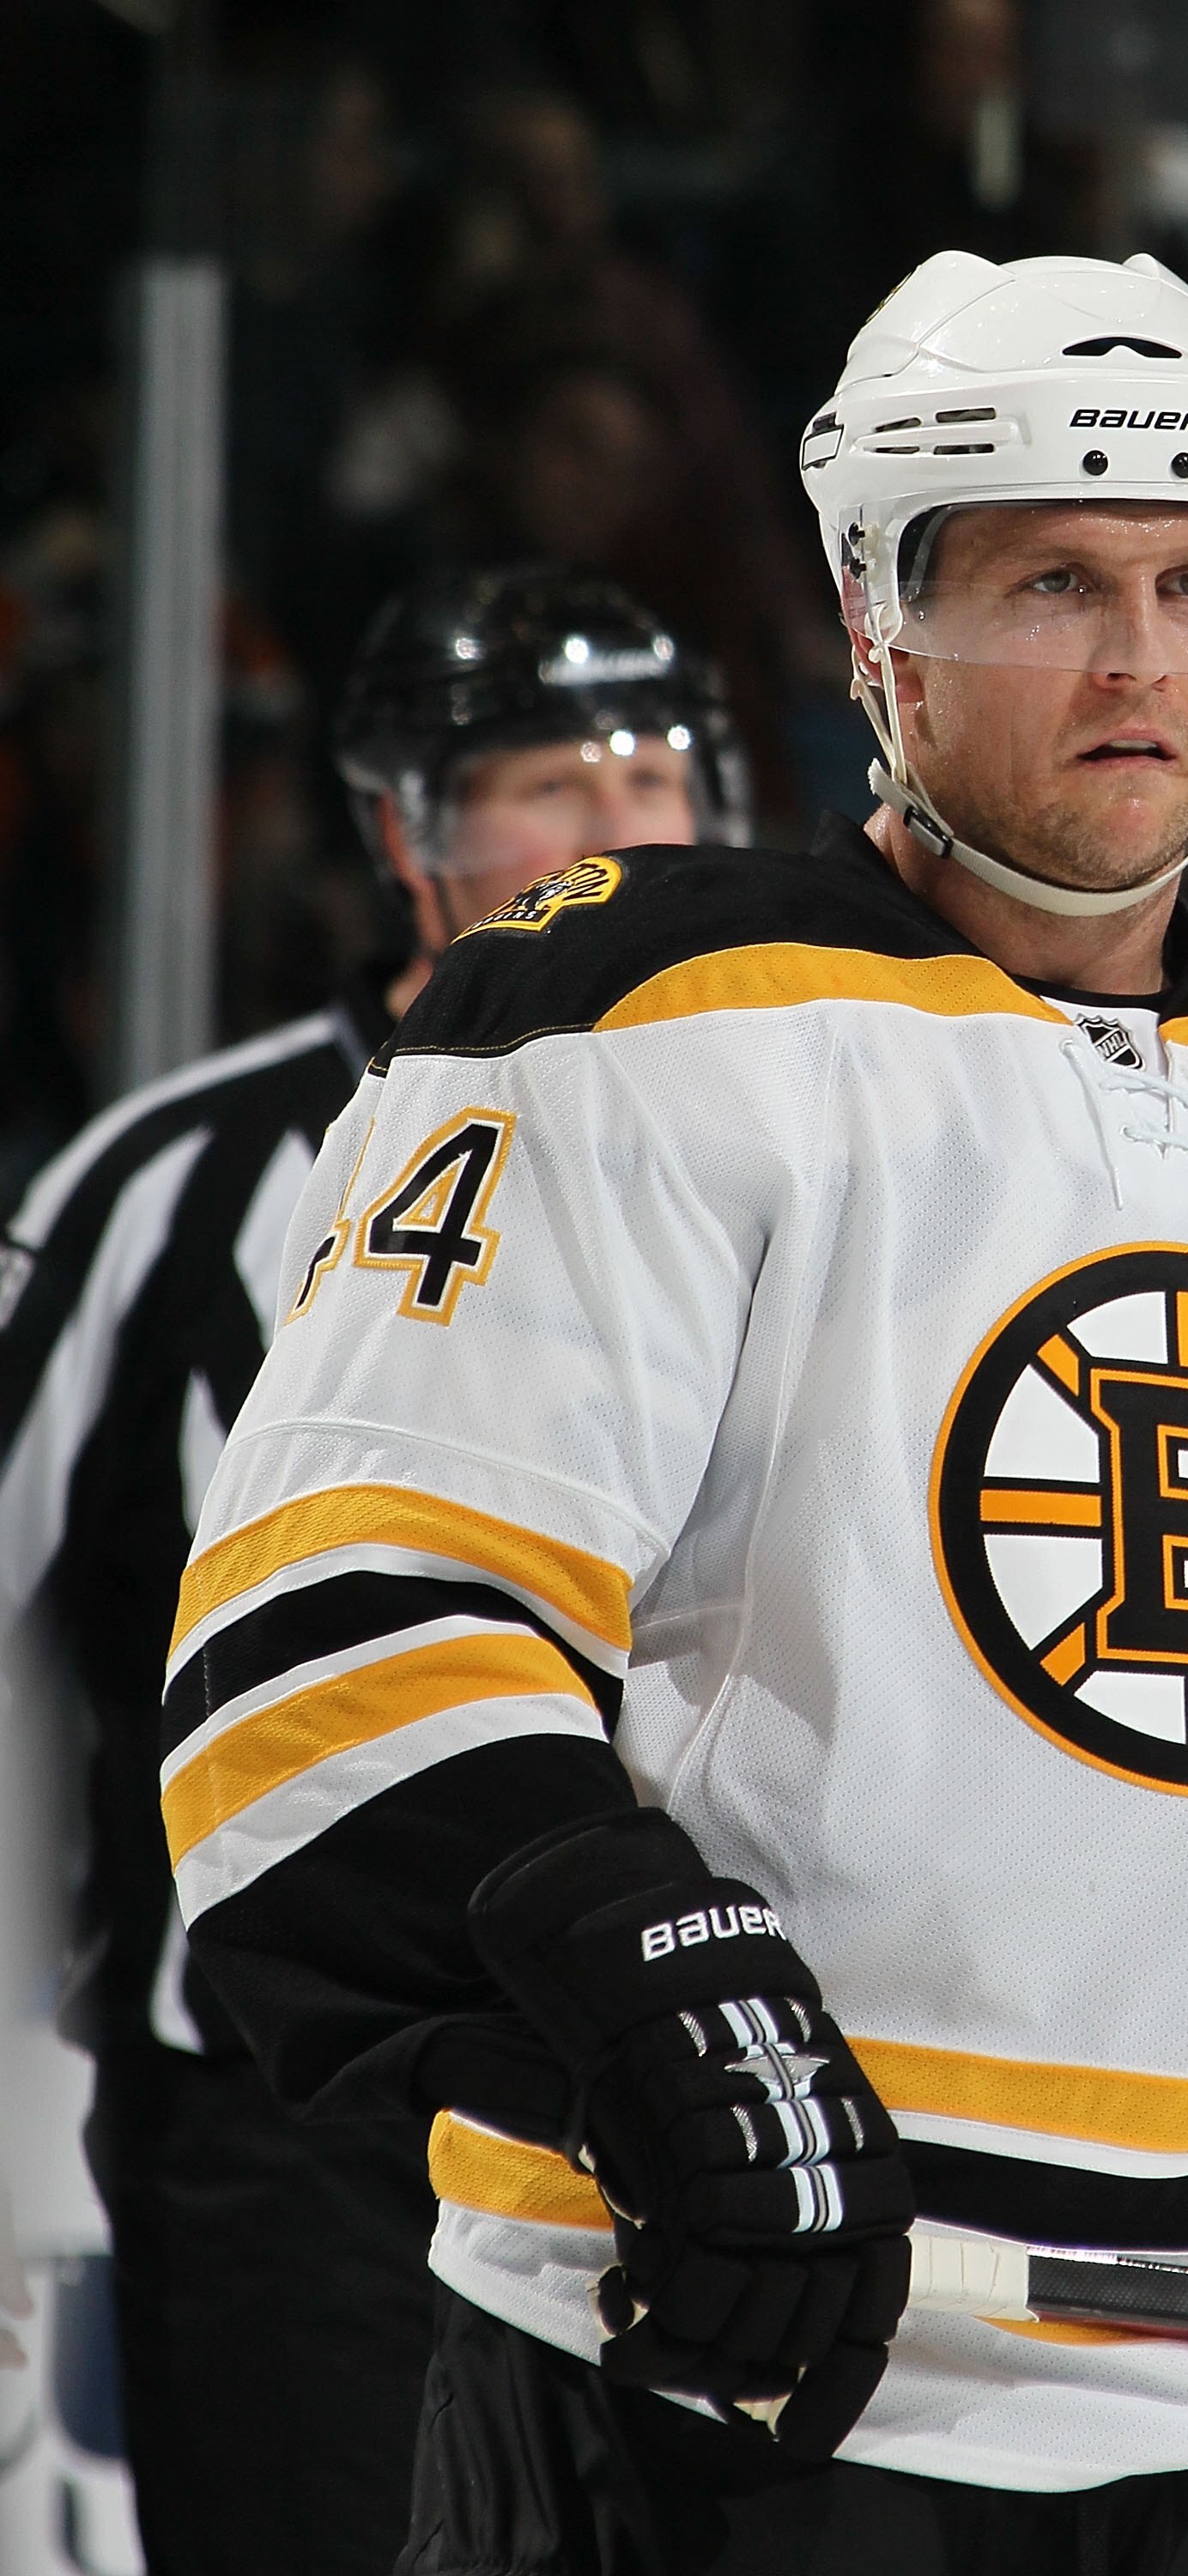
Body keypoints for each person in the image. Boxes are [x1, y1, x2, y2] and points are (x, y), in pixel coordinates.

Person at [164, 251, 1188, 2576]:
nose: (1136, 658)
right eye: (1052, 580)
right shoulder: (623, 1019)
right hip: (755, 2393)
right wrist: (656, 2014)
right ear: (878, 623)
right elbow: (337, 1655)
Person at [0, 563, 746, 2576]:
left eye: (650, 770)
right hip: (296, 2119)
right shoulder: (175, 1184)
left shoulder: (826, 1157)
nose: (611, 823)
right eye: (542, 779)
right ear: (407, 832)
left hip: (688, 2104)